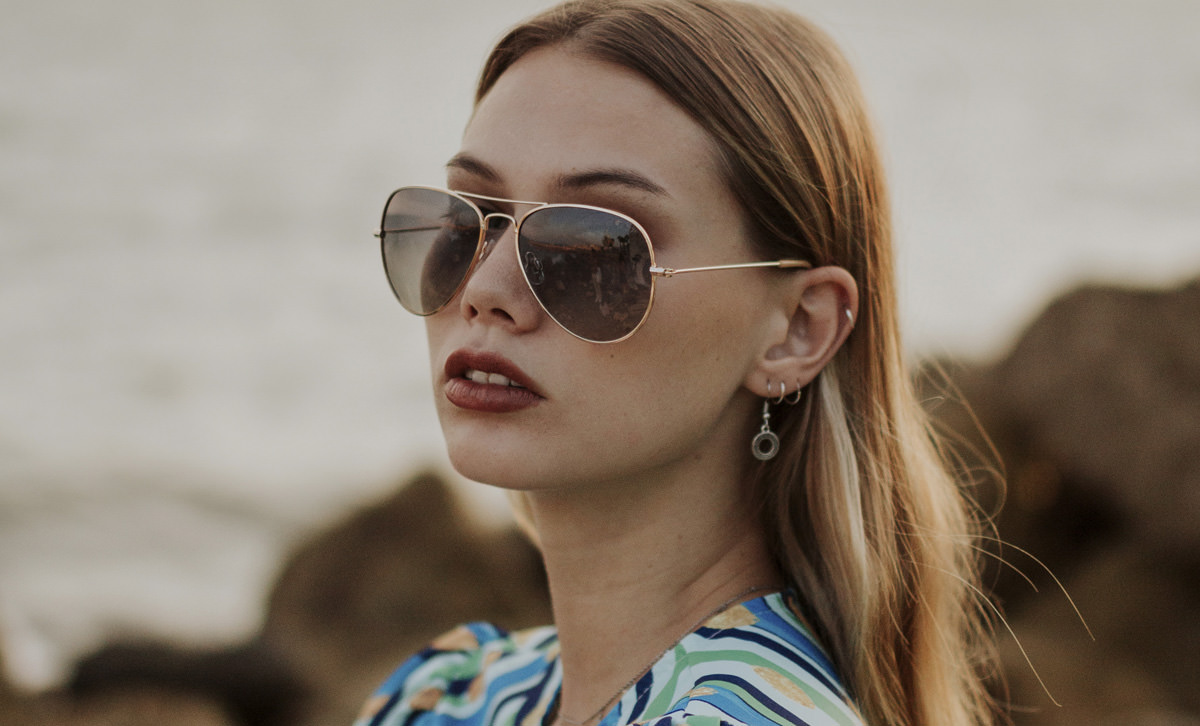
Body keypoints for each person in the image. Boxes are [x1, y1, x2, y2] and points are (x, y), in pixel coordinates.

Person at [357, 1, 999, 725]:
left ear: (797, 330)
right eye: (468, 217)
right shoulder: (447, 698)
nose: (485, 289)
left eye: (595, 245)